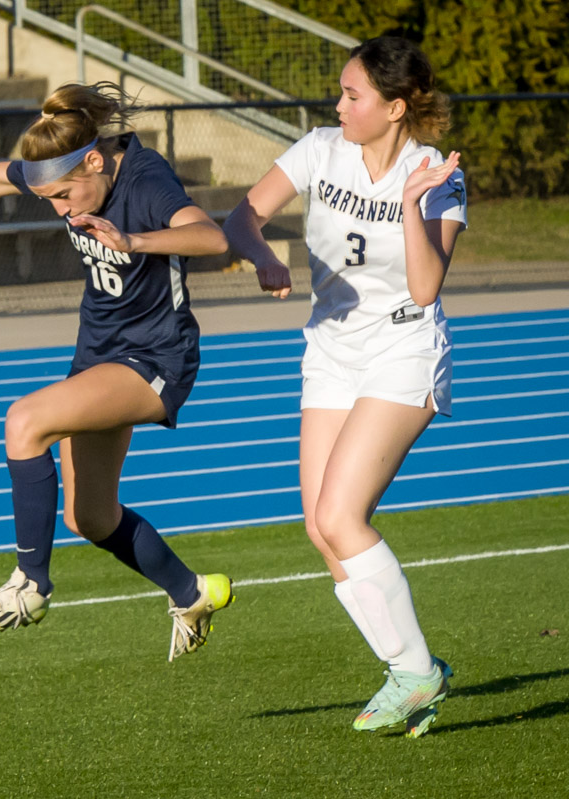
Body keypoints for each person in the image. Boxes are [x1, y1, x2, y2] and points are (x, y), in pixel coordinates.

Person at [0, 78, 234, 661]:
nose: (59, 210)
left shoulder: (145, 179)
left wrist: (132, 239)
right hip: (100, 355)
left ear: (96, 161)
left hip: (157, 357)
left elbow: (211, 237)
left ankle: (31, 584)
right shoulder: (70, 171)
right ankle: (192, 591)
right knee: (91, 517)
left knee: (25, 420)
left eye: (63, 195)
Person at [222, 36, 466, 736]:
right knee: (321, 529)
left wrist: (414, 207)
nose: (339, 104)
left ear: (394, 108)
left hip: (403, 347)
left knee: (341, 515)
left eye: (353, 95)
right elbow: (243, 215)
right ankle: (415, 669)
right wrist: (264, 257)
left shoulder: (437, 174)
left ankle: (414, 673)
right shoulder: (320, 147)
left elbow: (425, 287)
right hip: (329, 351)